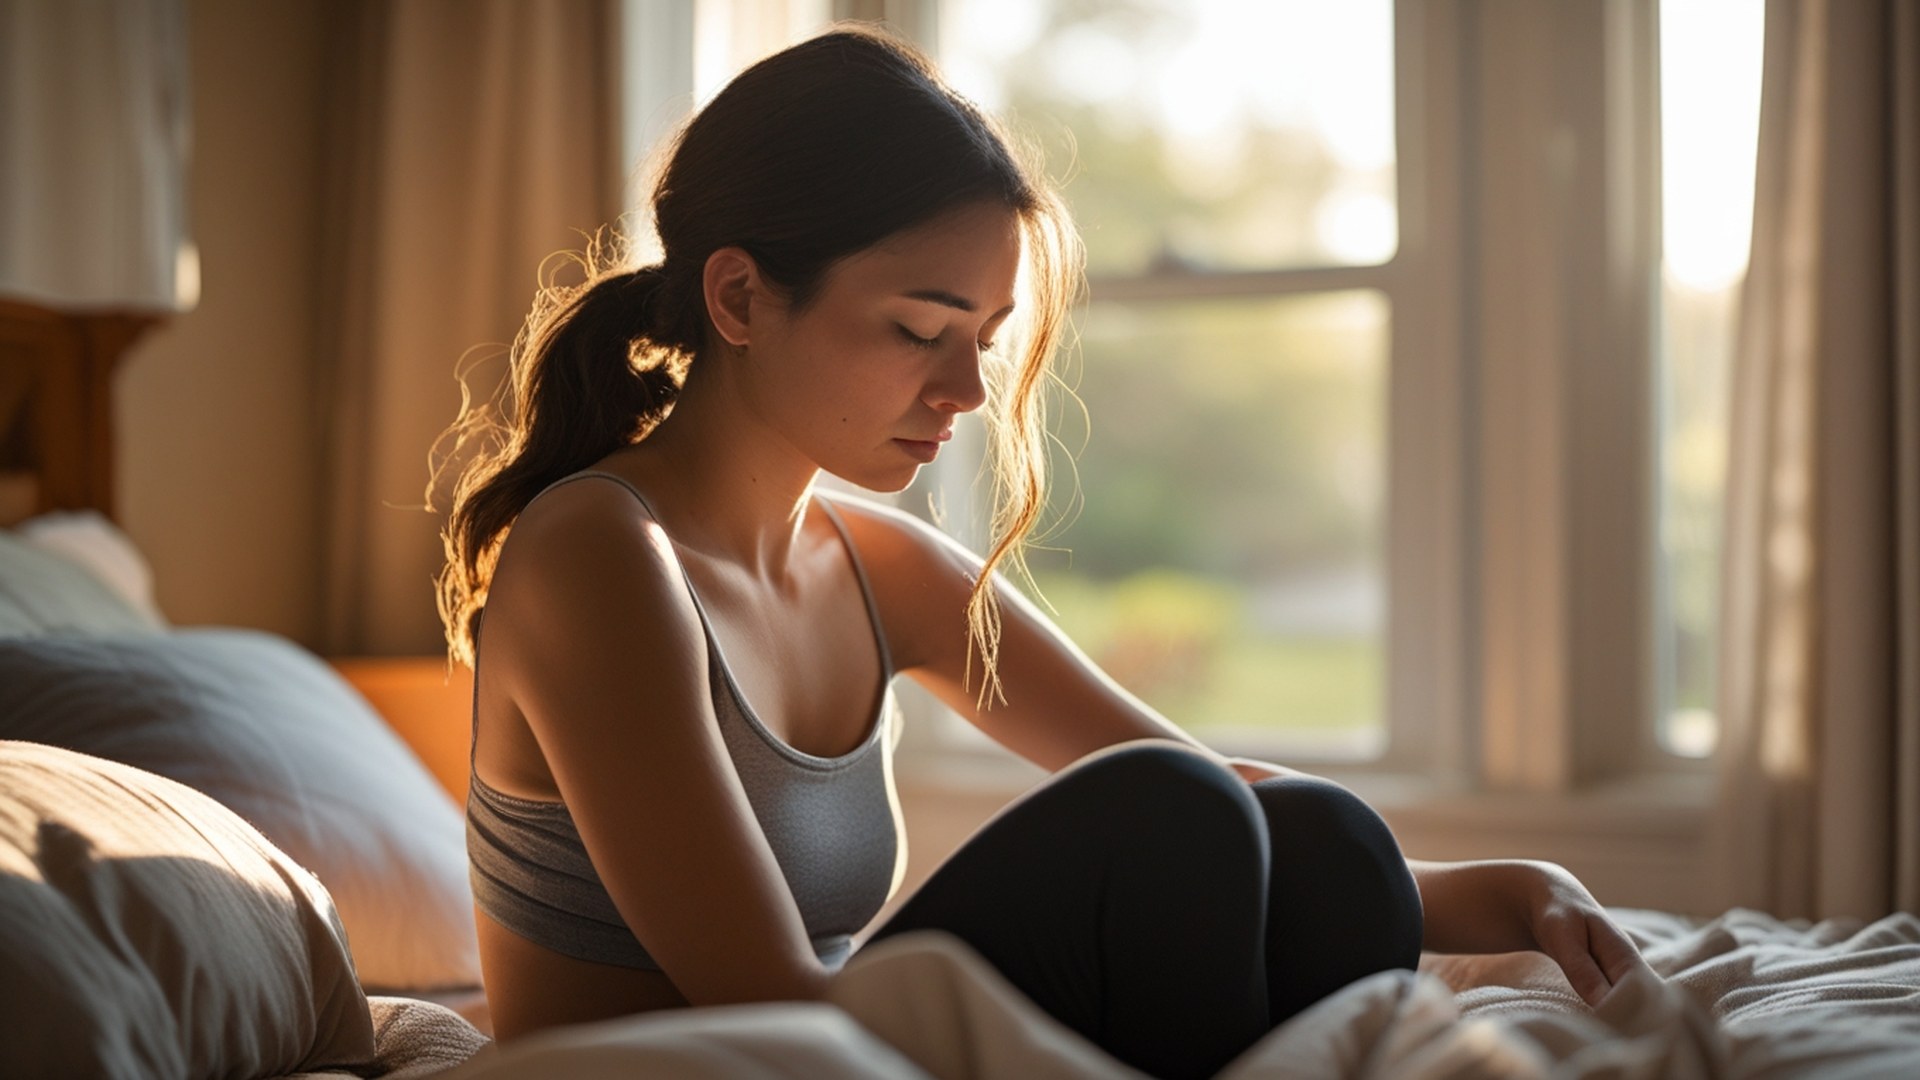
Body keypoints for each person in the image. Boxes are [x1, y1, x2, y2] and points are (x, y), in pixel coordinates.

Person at [434, 25, 1649, 1080]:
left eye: (986, 337)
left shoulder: (876, 564)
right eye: (918, 329)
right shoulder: (597, 554)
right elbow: (766, 996)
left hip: (815, 1040)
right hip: (699, 1068)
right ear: (741, 299)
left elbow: (1201, 775)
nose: (966, 388)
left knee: (1323, 843)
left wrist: (1485, 888)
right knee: (1166, 820)